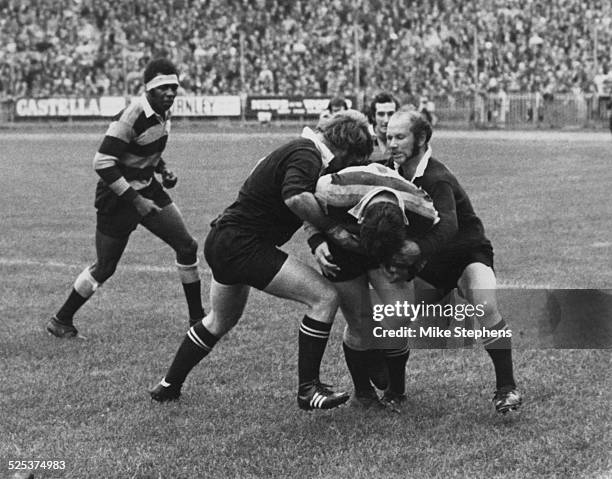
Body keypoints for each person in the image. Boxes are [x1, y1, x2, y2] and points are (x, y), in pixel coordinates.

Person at [149, 111, 374, 410]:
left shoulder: (297, 148)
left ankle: (168, 385)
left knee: (220, 320)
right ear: (345, 149)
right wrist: (333, 230)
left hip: (224, 240)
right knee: (324, 297)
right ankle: (308, 389)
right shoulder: (308, 154)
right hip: (244, 245)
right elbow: (296, 197)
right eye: (352, 161)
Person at [46, 58, 206, 339]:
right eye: (162, 87)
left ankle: (197, 320)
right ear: (148, 89)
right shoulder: (131, 115)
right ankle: (61, 320)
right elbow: (103, 162)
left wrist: (163, 168)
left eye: (173, 87)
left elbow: (144, 147)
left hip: (147, 189)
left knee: (187, 246)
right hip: (118, 197)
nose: (169, 93)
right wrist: (136, 201)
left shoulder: (162, 112)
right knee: (105, 267)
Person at [382, 109, 522, 414]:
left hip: (466, 253)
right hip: (430, 260)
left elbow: (449, 227)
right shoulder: (386, 170)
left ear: (420, 139)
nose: (391, 143)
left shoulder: (437, 177)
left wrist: (414, 252)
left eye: (400, 136)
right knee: (395, 316)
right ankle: (395, 390)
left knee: (484, 306)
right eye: (388, 136)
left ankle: (507, 389)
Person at [309, 162, 438, 409]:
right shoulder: (333, 189)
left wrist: (410, 265)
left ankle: (396, 390)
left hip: (389, 249)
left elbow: (429, 242)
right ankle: (364, 394)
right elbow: (307, 209)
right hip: (342, 244)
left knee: (399, 315)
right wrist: (316, 241)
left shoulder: (422, 209)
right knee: (360, 322)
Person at [366, 92, 400, 163]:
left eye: (390, 114)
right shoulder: (365, 140)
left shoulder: (403, 140)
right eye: (381, 114)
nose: (386, 120)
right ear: (373, 117)